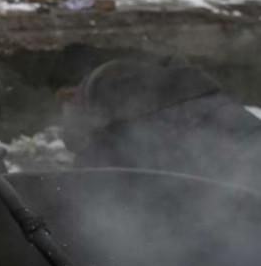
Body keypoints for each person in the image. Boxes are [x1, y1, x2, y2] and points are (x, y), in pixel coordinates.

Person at [60, 57, 261, 190]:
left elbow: (89, 194)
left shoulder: (120, 134)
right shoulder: (194, 99)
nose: (65, 108)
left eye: (69, 98)